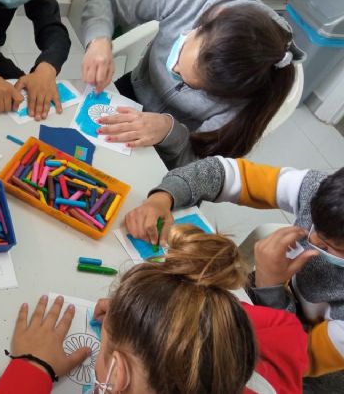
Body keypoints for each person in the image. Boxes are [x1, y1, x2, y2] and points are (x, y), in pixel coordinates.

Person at [0, 225, 308, 393]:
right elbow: (284, 328)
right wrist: (151, 314)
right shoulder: (277, 340)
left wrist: (33, 367)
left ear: (116, 377)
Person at [126, 156, 344, 378]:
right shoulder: (320, 190)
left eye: (331, 245)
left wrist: (270, 287)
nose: (312, 238)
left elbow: (295, 360)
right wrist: (164, 197)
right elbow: (226, 173)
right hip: (262, 298)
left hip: (277, 362)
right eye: (314, 225)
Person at [80, 0, 304, 169]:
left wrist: (170, 131)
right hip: (130, 95)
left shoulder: (261, 86)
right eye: (181, 53)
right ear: (214, 16)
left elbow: (204, 171)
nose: (173, 68)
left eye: (189, 83)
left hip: (181, 146)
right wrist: (98, 40)